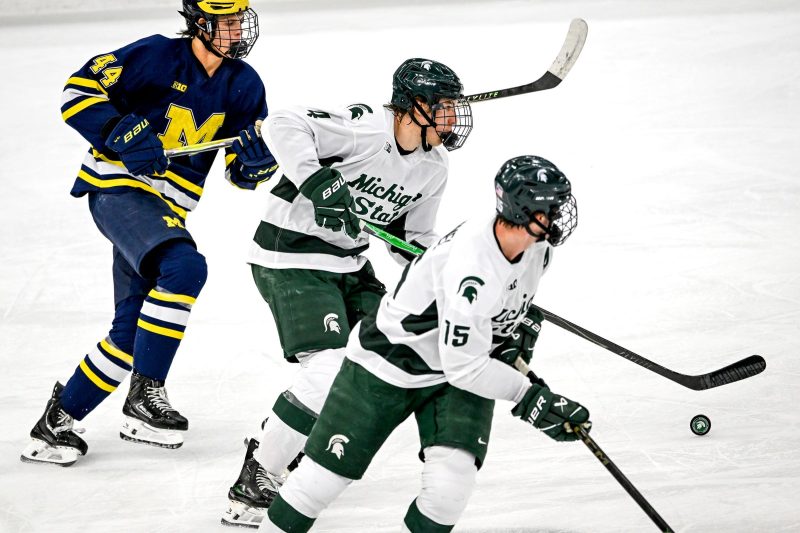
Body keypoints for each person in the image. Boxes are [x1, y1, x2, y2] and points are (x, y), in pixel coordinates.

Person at [258, 155, 591, 532]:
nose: (559, 215)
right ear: (524, 210)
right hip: (387, 365)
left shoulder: (539, 251)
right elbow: (465, 368)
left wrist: (514, 339)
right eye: (552, 207)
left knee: (450, 488)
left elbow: (493, 329)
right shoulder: (473, 267)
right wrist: (528, 396)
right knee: (319, 482)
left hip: (454, 369)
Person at [21, 0, 277, 466]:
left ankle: (56, 424)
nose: (237, 30)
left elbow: (239, 172)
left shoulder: (245, 84)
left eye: (240, 20)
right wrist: (116, 129)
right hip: (118, 189)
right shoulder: (156, 56)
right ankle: (146, 394)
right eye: (226, 21)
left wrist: (254, 165)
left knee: (132, 333)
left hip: (165, 211)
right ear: (199, 23)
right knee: (184, 267)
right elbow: (77, 91)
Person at [221, 58, 474, 528]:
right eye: (443, 106)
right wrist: (317, 181)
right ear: (413, 107)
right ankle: (260, 472)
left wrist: (448, 271)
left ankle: (287, 439)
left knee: (385, 355)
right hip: (289, 255)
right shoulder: (367, 129)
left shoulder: (434, 168)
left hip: (350, 265)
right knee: (329, 367)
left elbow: (412, 239)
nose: (452, 117)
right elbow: (281, 124)